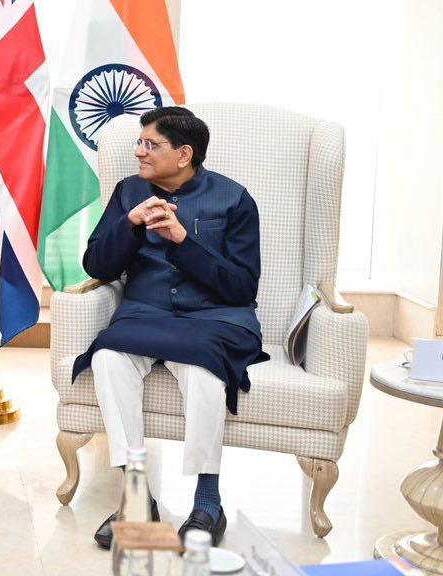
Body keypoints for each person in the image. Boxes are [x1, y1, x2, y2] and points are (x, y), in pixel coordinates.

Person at [73, 107, 268, 548]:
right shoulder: (129, 193)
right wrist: (130, 225)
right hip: (145, 314)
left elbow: (240, 286)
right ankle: (137, 496)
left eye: (150, 144)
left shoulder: (234, 199)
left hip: (214, 318)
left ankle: (207, 502)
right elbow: (96, 265)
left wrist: (184, 240)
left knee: (203, 374)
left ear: (184, 155)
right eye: (139, 142)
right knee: (107, 356)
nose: (138, 151)